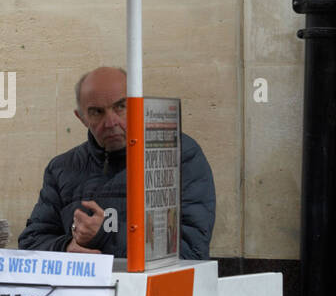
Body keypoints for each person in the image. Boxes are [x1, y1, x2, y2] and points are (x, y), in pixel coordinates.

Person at [18, 66, 216, 259]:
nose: (111, 122)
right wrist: (66, 247)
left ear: (139, 106)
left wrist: (105, 236)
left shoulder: (180, 156)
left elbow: (192, 249)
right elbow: (31, 242)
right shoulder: (62, 168)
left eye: (120, 107)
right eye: (97, 112)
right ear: (81, 118)